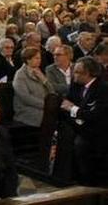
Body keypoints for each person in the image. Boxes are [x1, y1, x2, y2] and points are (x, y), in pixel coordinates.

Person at [60, 56, 108, 186]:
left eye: (76, 72)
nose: (73, 74)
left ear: (87, 74)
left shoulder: (102, 89)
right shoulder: (76, 86)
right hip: (77, 128)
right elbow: (65, 105)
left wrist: (74, 109)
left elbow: (95, 115)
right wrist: (77, 113)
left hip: (97, 133)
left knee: (82, 145)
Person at [12, 47, 55, 127]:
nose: (39, 60)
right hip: (26, 109)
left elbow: (52, 92)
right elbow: (25, 98)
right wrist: (45, 105)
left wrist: (45, 81)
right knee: (46, 117)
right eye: (36, 58)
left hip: (43, 106)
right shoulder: (20, 75)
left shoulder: (39, 72)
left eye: (39, 58)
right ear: (28, 60)